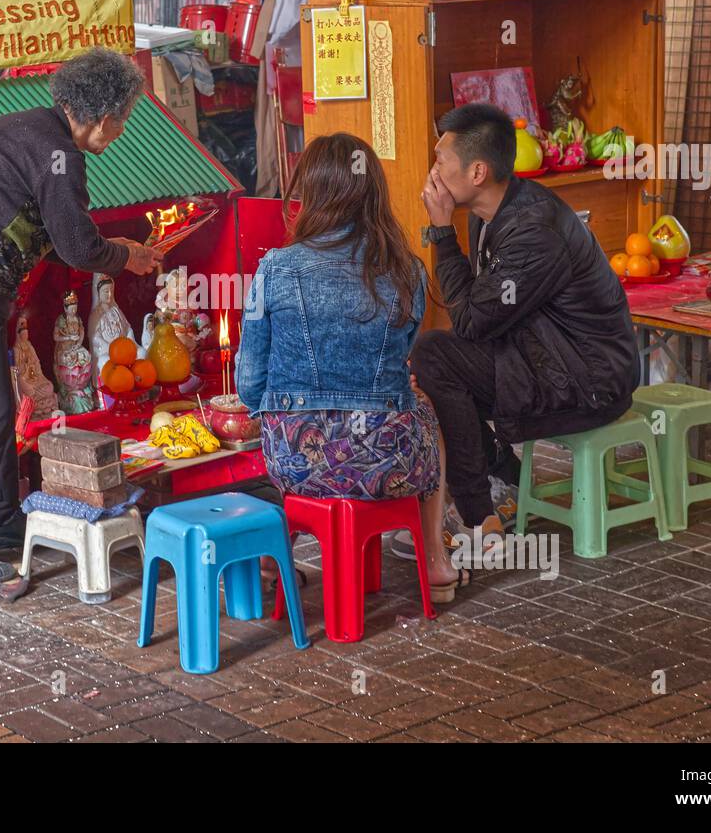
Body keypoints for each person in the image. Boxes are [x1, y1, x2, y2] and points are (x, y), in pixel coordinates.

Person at [0, 48, 160, 584]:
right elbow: (78, 248)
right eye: (124, 120)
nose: (121, 132)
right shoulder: (58, 152)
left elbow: (63, 235)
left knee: (0, 401)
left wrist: (102, 243)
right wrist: (127, 255)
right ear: (107, 116)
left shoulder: (38, 134)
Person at [236, 133, 465, 602]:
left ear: (313, 195)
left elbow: (249, 386)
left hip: (297, 464)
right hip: (388, 461)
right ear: (373, 193)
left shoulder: (275, 269)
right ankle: (436, 564)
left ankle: (276, 548)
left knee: (289, 420)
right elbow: (401, 360)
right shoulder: (408, 270)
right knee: (423, 406)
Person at [411, 103, 637, 545]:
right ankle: (505, 478)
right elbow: (481, 313)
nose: (433, 172)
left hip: (588, 379)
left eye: (441, 161)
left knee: (436, 356)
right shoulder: (489, 213)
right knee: (439, 363)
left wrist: (441, 231)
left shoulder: (534, 229)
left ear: (477, 172)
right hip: (544, 356)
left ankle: (480, 516)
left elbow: (473, 321)